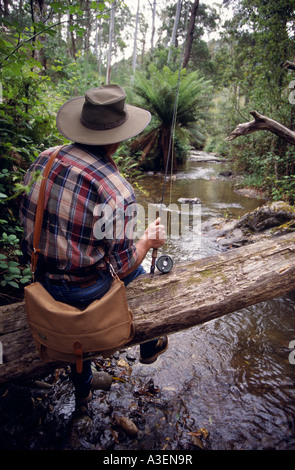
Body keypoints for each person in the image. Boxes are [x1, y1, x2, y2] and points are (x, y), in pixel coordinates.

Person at [20, 84, 168, 407]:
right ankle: (149, 344)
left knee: (81, 313)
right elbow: (126, 264)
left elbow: (25, 221)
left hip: (41, 280)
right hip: (84, 294)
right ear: (119, 137)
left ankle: (84, 391)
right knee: (139, 273)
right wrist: (146, 240)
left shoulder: (45, 158)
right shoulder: (117, 190)